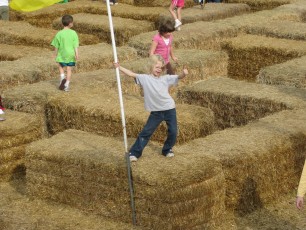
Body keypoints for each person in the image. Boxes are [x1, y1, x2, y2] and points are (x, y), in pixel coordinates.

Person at [114, 54, 188, 162]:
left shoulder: (165, 78)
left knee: (173, 131)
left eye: (161, 68)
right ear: (151, 66)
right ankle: (134, 153)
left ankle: (167, 150)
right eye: (157, 67)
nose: (159, 69)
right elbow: (131, 74)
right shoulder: (145, 78)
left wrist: (184, 74)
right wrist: (119, 67)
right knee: (146, 132)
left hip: (169, 109)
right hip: (156, 112)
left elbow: (178, 77)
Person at [51, 14, 79, 92]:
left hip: (62, 54)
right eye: (72, 22)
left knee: (60, 66)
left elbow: (56, 46)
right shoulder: (73, 33)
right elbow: (75, 45)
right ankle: (66, 85)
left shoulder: (59, 33)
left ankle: (62, 78)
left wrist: (55, 54)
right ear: (70, 23)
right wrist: (77, 54)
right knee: (69, 69)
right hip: (71, 54)